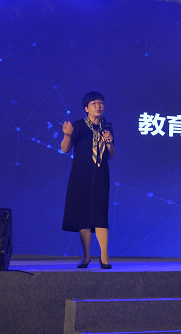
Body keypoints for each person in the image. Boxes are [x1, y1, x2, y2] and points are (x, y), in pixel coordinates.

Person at [60, 91, 115, 269]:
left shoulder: (107, 127)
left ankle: (105, 258)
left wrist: (109, 142)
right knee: (83, 214)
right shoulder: (78, 126)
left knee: (100, 213)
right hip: (81, 174)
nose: (98, 106)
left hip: (101, 174)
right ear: (86, 108)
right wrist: (67, 135)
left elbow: (111, 155)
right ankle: (86, 257)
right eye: (94, 103)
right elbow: (65, 149)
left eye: (101, 103)